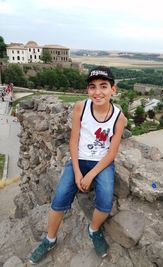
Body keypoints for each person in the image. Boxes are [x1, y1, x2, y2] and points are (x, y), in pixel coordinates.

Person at [29, 66, 126, 264]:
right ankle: (50, 239)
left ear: (113, 90)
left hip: (102, 162)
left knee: (105, 202)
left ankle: (93, 230)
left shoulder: (119, 117)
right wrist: (76, 172)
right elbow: (73, 142)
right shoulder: (81, 108)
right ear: (87, 90)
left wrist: (90, 175)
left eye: (103, 86)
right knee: (59, 201)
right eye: (92, 87)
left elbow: (112, 153)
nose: (97, 92)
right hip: (78, 159)